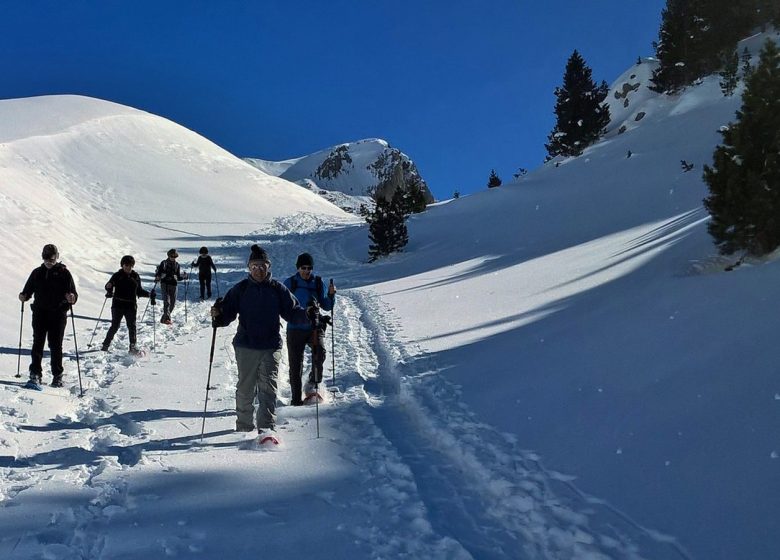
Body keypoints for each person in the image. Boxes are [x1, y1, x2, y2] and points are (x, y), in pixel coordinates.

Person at [210, 244, 312, 437]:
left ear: (268, 267)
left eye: (262, 266)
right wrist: (218, 315)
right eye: (254, 266)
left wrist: (308, 314)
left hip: (270, 345)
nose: (258, 270)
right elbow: (227, 314)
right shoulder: (240, 289)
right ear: (249, 268)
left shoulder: (277, 289)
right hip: (246, 345)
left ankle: (266, 430)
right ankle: (244, 427)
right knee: (245, 389)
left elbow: (292, 312)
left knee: (268, 389)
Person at [18, 244, 78, 387]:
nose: (48, 262)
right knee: (37, 343)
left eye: (51, 259)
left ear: (57, 257)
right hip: (40, 313)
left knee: (55, 345)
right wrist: (23, 296)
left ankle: (57, 375)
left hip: (58, 314)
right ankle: (35, 374)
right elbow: (27, 291)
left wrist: (72, 298)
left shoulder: (64, 273)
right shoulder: (37, 272)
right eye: (46, 259)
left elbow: (73, 294)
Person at [283, 252, 336, 405]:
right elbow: (284, 305)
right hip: (295, 328)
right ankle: (295, 398)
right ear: (298, 268)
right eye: (303, 268)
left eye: (309, 268)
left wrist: (332, 296)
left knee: (319, 354)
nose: (307, 271)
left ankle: (312, 384)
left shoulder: (318, 283)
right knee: (295, 364)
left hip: (315, 326)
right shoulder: (290, 283)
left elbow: (327, 305)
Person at [101, 255, 154, 353]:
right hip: (118, 304)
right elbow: (109, 285)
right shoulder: (117, 275)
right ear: (122, 265)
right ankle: (105, 344)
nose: (128, 267)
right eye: (126, 265)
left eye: (130, 265)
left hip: (131, 305)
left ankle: (132, 347)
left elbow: (139, 291)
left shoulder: (135, 276)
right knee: (115, 325)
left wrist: (149, 294)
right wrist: (108, 288)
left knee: (132, 326)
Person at [155, 249, 186, 324]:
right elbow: (158, 273)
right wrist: (158, 277)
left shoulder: (177, 265)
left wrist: (184, 277)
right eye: (172, 256)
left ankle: (164, 318)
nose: (173, 257)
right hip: (164, 284)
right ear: (168, 256)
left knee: (173, 303)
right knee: (167, 302)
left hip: (174, 284)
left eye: (175, 256)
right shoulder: (164, 263)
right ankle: (167, 319)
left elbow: (178, 277)